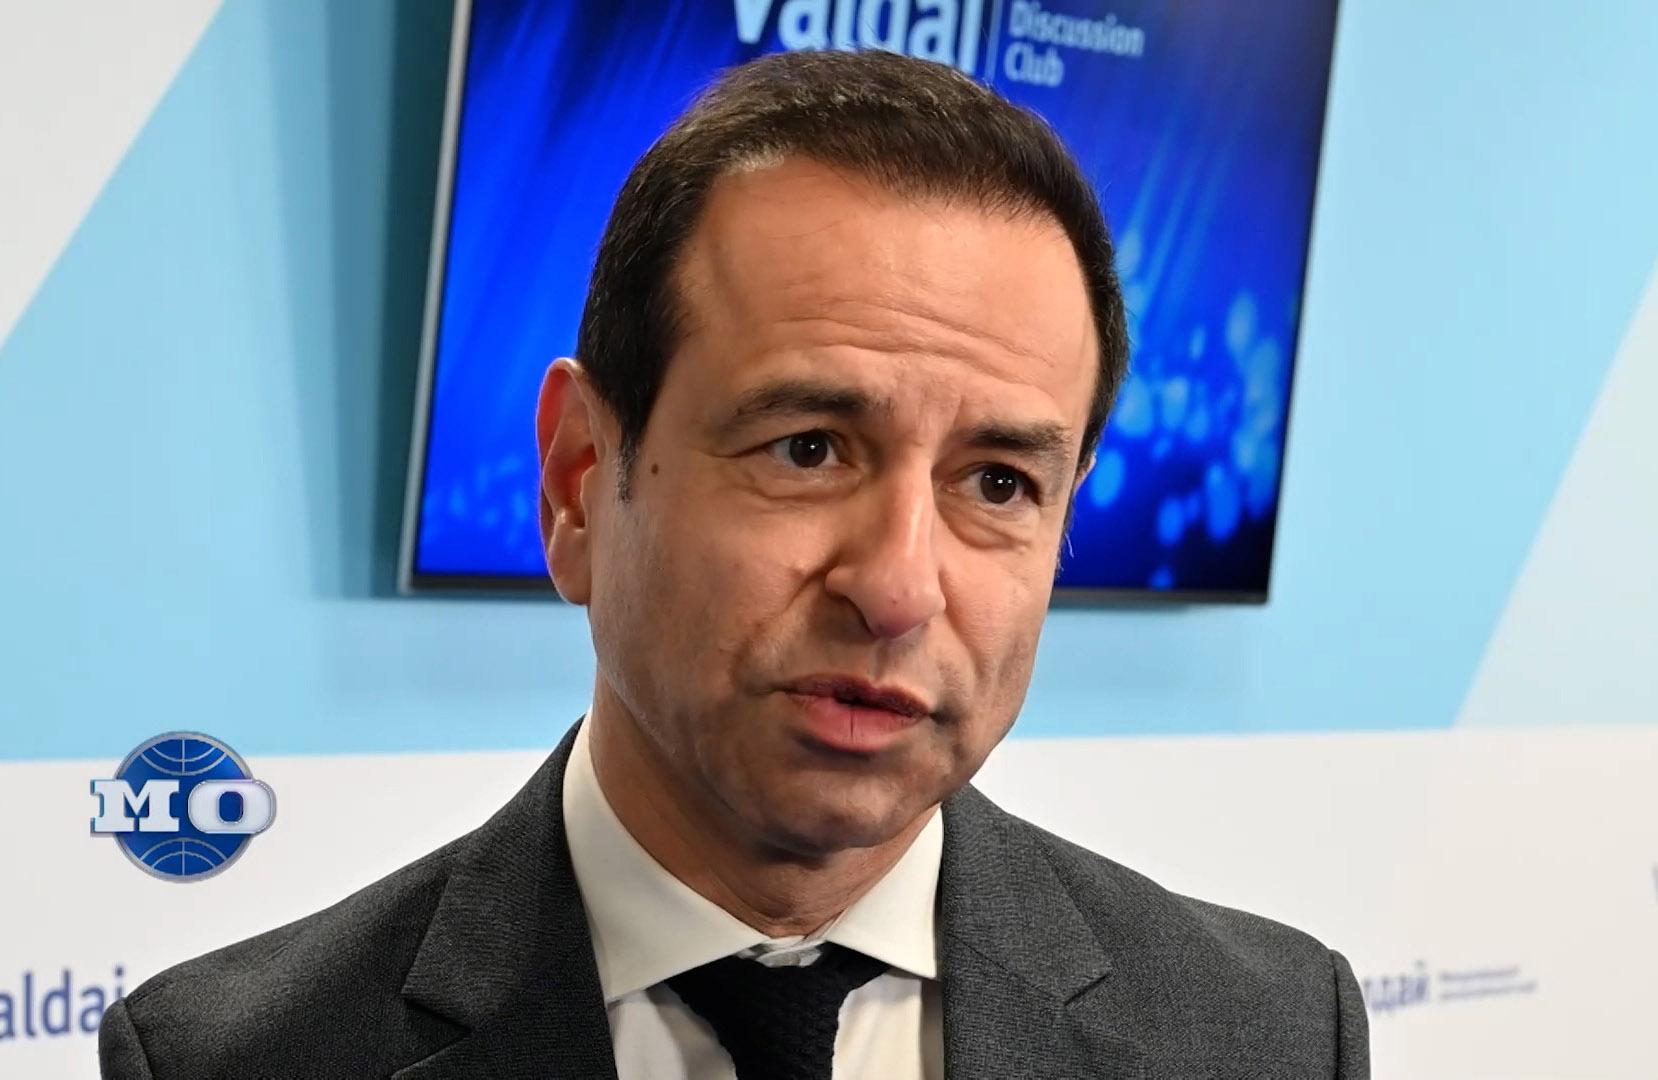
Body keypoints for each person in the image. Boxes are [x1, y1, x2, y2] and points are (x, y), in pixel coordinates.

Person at [100, 49, 1368, 1080]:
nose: (898, 588)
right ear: (579, 481)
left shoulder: (1265, 1035)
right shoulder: (234, 1059)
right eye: (807, 448)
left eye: (996, 483)